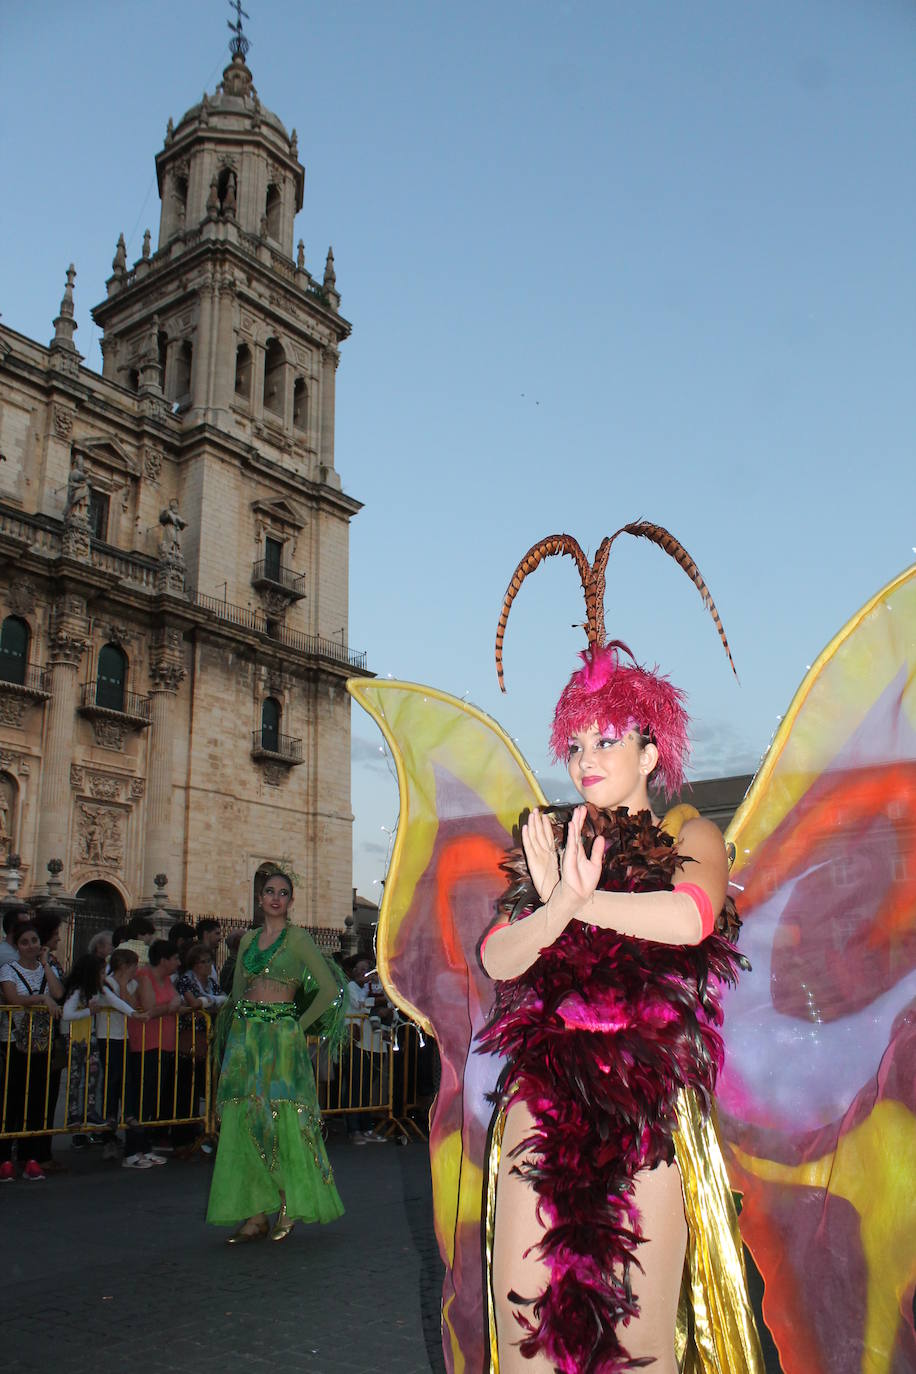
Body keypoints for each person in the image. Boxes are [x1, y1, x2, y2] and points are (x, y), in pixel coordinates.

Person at [476, 531, 763, 1373]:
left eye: (607, 741)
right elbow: (499, 960)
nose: (586, 759)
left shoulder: (690, 831)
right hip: (544, 1105)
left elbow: (690, 919)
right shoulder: (550, 842)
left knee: (640, 1354)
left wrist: (583, 898)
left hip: (647, 1115)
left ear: (650, 752)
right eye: (575, 744)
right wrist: (557, 900)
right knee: (531, 1341)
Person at [207, 867, 346, 1242]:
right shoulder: (249, 939)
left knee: (282, 1116)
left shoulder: (298, 938)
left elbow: (330, 988)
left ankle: (287, 1201)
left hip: (281, 1037)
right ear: (258, 898)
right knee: (244, 1118)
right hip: (245, 1038)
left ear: (290, 901)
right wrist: (235, 1028)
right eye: (269, 891)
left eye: (283, 893)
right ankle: (254, 1213)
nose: (275, 898)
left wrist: (297, 1026)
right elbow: (237, 992)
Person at [0, 922, 64, 1181]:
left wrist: (46, 964)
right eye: (25, 942)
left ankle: (31, 1157)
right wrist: (41, 999)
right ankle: (4, 1158)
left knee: (37, 1100)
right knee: (11, 1099)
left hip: (41, 1043)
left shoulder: (45, 968)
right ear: (17, 946)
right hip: (13, 1041)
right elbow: (13, 998)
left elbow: (58, 992)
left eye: (34, 940)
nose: (31, 946)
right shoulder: (8, 969)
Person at [123, 939, 181, 1169]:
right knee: (141, 1097)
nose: (178, 962)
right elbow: (148, 1009)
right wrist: (169, 1008)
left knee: (152, 1098)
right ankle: (132, 1151)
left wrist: (172, 1006)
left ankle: (145, 1147)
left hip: (164, 1042)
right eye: (175, 958)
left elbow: (175, 1002)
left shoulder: (166, 979)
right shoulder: (144, 977)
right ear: (164, 960)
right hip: (145, 1043)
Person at [96, 949, 147, 1161]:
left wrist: (126, 985)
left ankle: (124, 1119)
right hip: (107, 1035)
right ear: (125, 966)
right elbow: (118, 1005)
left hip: (123, 1037)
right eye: (134, 965)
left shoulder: (131, 985)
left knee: (124, 1080)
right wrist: (122, 986)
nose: (137, 969)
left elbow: (133, 1005)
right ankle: (108, 1128)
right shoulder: (106, 982)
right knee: (112, 1080)